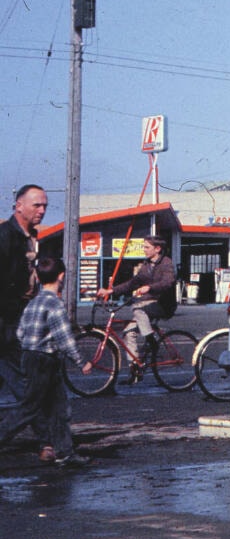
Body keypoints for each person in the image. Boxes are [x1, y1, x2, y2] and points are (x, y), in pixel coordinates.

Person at [0, 256, 91, 467]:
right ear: (61, 276)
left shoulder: (33, 303)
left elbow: (20, 332)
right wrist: (81, 361)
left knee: (59, 408)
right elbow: (65, 338)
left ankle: (65, 453)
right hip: (44, 360)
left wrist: (30, 347)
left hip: (31, 356)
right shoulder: (55, 305)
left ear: (39, 278)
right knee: (29, 407)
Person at [95, 235, 176, 384]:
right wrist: (110, 291)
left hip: (164, 304)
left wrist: (149, 287)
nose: (144, 250)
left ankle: (151, 340)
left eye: (147, 247)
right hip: (148, 303)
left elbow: (168, 282)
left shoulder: (166, 263)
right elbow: (133, 283)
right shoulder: (146, 265)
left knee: (138, 309)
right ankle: (135, 371)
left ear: (157, 249)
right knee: (128, 333)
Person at [0, 184, 48, 395]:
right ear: (19, 206)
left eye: (45, 206)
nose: (42, 210)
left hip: (22, 318)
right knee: (28, 387)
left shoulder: (33, 238)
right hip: (8, 321)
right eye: (36, 205)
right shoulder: (5, 236)